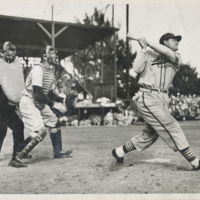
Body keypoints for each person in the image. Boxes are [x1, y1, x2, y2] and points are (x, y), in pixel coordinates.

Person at [112, 33, 200, 170]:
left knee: (150, 135)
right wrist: (143, 49)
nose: (177, 42)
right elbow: (136, 69)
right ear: (165, 41)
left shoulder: (176, 57)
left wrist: (148, 42)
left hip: (162, 97)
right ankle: (194, 161)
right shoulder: (148, 54)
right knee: (172, 126)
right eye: (174, 40)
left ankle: (119, 152)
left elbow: (165, 51)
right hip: (148, 95)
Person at [9, 46, 73, 168]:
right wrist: (54, 104)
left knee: (54, 122)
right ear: (45, 56)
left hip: (39, 102)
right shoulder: (38, 69)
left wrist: (62, 99)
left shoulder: (49, 71)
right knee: (40, 131)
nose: (56, 56)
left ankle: (58, 152)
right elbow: (38, 93)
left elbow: (48, 94)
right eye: (53, 53)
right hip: (29, 101)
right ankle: (16, 158)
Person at [0, 41, 32, 167]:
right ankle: (16, 156)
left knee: (10, 127)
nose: (11, 53)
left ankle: (18, 154)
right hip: (2, 103)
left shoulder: (15, 65)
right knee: (11, 127)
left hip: (5, 103)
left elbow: (15, 83)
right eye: (8, 51)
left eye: (13, 50)